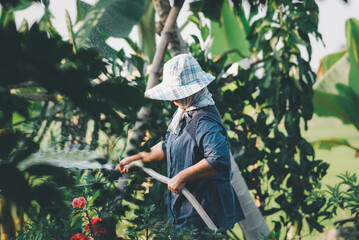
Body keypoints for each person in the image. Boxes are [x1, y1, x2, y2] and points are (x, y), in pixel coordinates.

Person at [117, 54, 245, 232]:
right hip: (186, 208)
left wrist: (182, 176)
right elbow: (167, 145)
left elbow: (218, 159)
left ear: (192, 91)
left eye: (176, 93)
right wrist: (137, 158)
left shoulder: (204, 120)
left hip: (204, 210)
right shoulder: (184, 113)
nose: (172, 99)